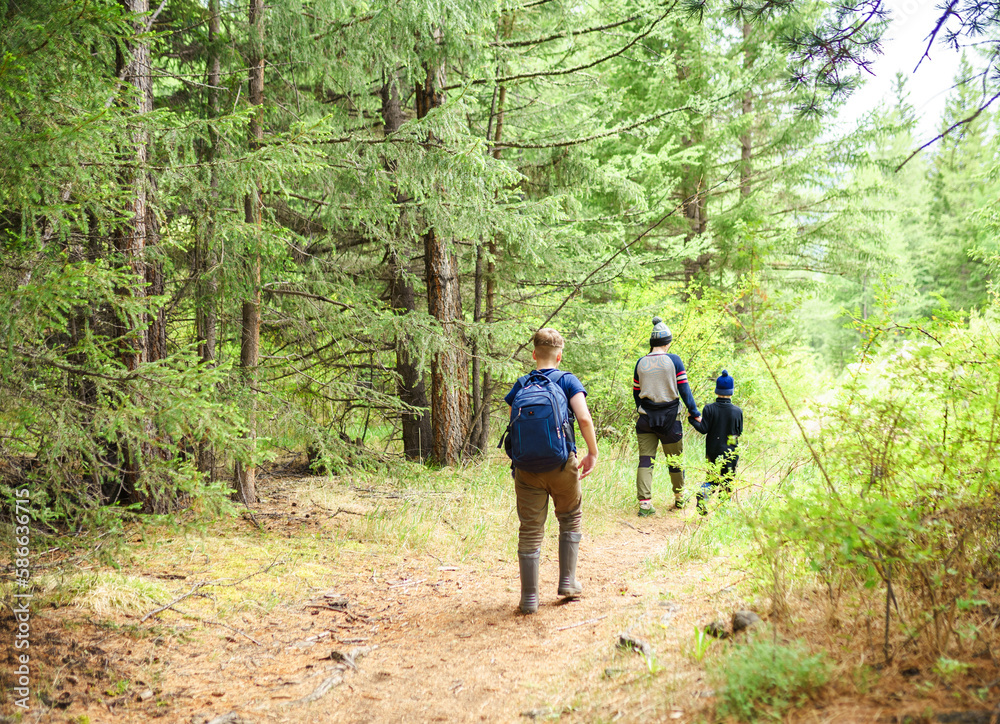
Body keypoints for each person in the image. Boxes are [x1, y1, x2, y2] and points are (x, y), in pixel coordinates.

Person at [503, 328, 599, 615]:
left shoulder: (521, 385)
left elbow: (512, 428)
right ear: (559, 355)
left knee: (530, 530)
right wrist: (592, 452)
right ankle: (567, 582)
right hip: (561, 465)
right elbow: (582, 417)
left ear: (534, 354)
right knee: (570, 517)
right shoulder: (568, 380)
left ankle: (529, 598)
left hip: (527, 470)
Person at [632, 316, 701, 516]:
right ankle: (679, 499)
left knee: (645, 460)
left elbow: (636, 392)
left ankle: (644, 505)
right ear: (667, 342)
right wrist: (694, 412)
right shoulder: (674, 360)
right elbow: (685, 391)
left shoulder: (641, 362)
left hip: (645, 419)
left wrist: (642, 408)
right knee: (675, 460)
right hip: (671, 419)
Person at [688, 370, 743, 515]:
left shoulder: (709, 408)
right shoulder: (737, 411)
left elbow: (703, 429)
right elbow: (739, 432)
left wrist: (692, 420)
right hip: (730, 452)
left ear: (716, 391)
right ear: (731, 392)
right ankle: (722, 512)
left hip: (712, 451)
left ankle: (704, 494)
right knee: (727, 481)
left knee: (712, 477)